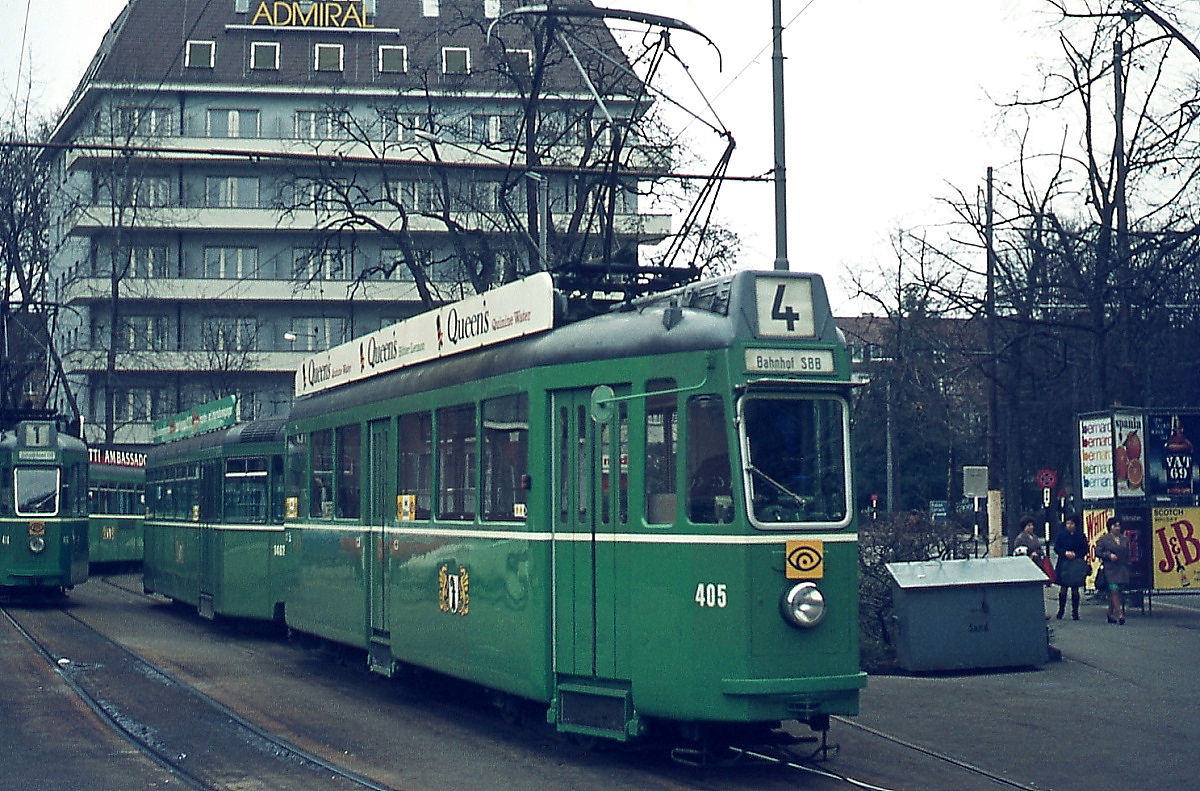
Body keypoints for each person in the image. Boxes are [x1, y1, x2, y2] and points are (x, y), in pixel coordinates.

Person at [1094, 516, 1131, 624]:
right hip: (1110, 569)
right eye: (1115, 526)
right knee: (1113, 590)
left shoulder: (1124, 539)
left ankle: (1110, 613)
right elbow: (1098, 552)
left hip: (1121, 568)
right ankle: (1120, 614)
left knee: (1116, 592)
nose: (1117, 528)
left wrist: (1128, 562)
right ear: (1110, 527)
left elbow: (1128, 552)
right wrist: (1108, 555)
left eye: (1119, 526)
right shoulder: (1104, 539)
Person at [1053, 517, 1089, 620]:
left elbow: (1085, 549)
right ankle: (1061, 610)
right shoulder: (1061, 535)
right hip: (1063, 562)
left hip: (1076, 563)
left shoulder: (1080, 536)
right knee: (1063, 588)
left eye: (1071, 523)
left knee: (1075, 588)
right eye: (1068, 523)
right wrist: (1064, 553)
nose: (1069, 526)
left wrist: (1076, 554)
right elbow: (1057, 547)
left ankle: (1075, 612)